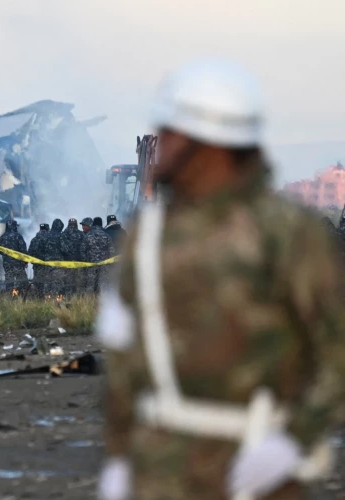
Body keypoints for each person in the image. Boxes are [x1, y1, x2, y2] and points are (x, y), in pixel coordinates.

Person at [98, 59, 345, 500]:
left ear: (208, 143)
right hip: (160, 473)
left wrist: (293, 440)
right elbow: (124, 362)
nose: (161, 146)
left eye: (171, 133)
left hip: (258, 467)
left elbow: (335, 352)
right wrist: (120, 460)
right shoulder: (149, 236)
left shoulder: (288, 235)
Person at [80, 217, 114, 294]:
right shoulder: (107, 236)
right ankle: (102, 303)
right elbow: (112, 251)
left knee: (90, 285)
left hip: (91, 265)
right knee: (103, 285)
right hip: (104, 266)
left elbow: (82, 250)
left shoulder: (88, 235)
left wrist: (86, 262)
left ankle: (88, 302)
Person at [0, 218, 27, 294]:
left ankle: (8, 296)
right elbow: (23, 249)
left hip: (7, 263)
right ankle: (22, 296)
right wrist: (25, 262)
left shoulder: (3, 237)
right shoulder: (18, 236)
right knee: (22, 280)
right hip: (18, 264)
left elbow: (0, 251)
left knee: (9, 280)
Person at [27, 223, 51, 298]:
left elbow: (29, 253)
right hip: (48, 266)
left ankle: (38, 299)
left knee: (38, 283)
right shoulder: (49, 239)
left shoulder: (34, 240)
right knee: (48, 283)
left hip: (37, 266)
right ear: (47, 229)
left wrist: (34, 262)